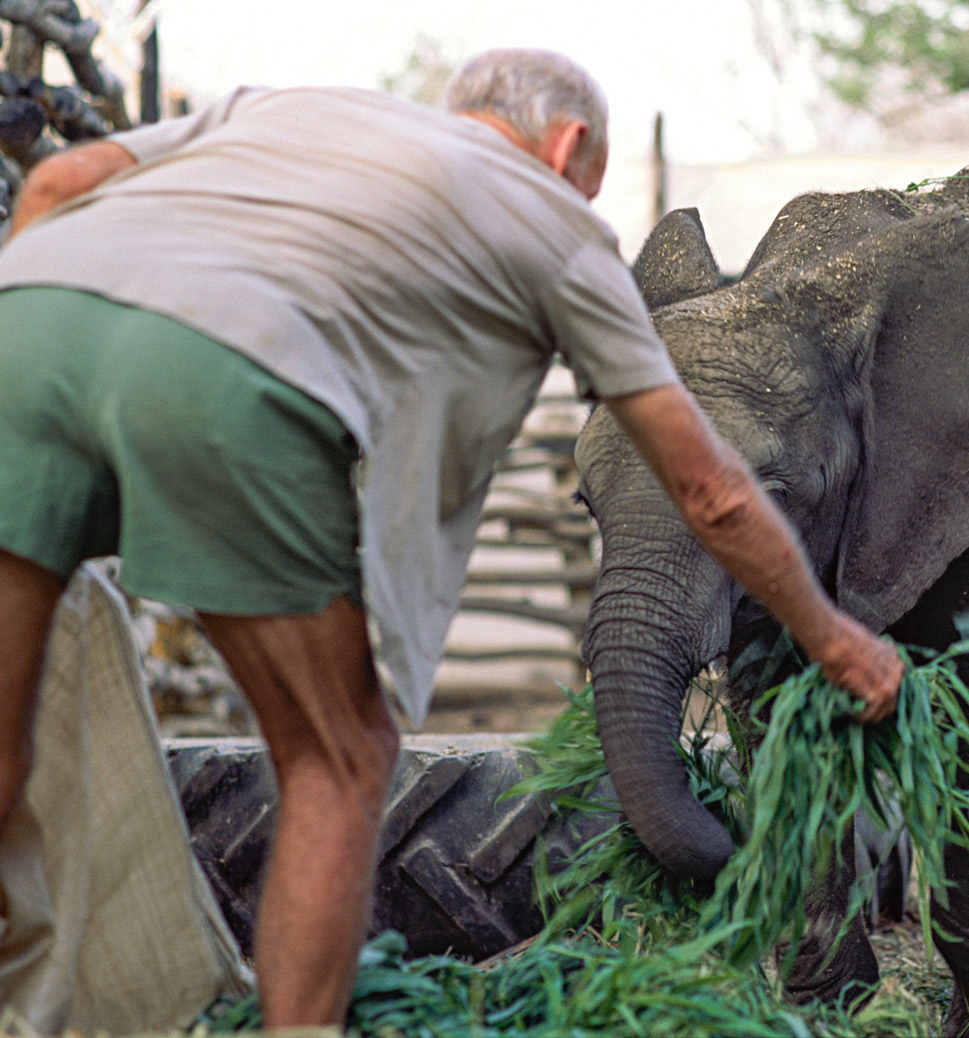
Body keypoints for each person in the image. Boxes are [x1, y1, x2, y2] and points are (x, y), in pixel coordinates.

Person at [0, 48, 902, 1027]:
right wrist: (831, 636)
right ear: (567, 147)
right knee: (340, 758)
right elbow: (710, 488)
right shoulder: (552, 218)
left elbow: (56, 179)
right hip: (227, 371)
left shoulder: (293, 105)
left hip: (26, 324)